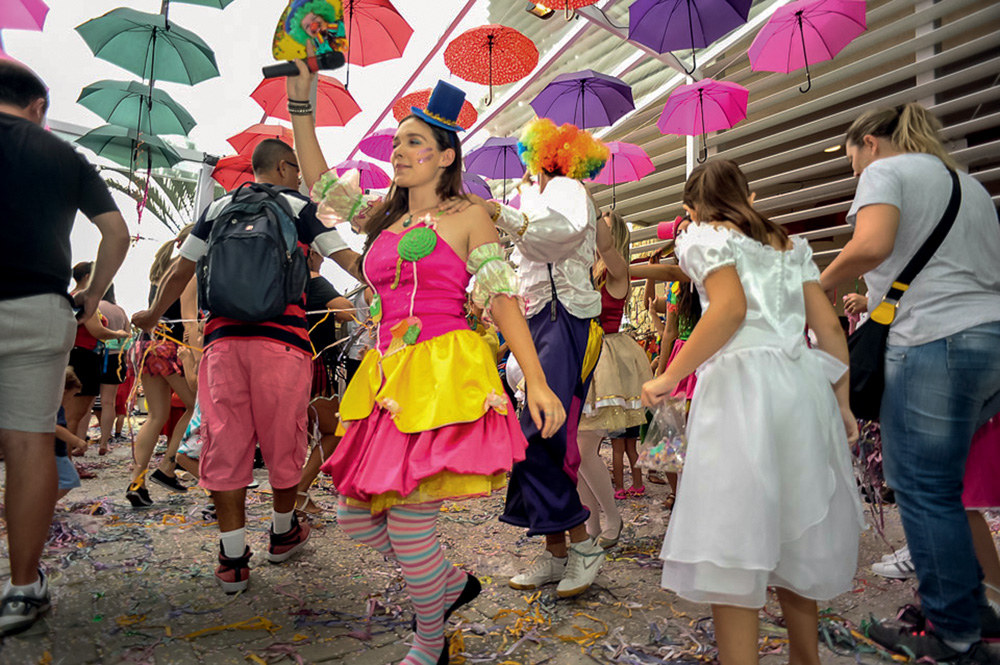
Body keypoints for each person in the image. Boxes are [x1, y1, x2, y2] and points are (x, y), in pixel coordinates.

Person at [289, 71, 565, 665]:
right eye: (397, 142)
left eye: (414, 142)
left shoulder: (468, 215)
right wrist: (300, 105)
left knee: (410, 524)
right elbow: (319, 183)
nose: (399, 150)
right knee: (355, 517)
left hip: (442, 373)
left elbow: (501, 298)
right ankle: (450, 584)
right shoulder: (381, 219)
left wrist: (537, 381)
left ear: (445, 156)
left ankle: (429, 643)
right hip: (387, 377)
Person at [642, 159, 864, 665]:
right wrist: (842, 403)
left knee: (732, 535)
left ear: (691, 207)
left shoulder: (701, 236)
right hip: (801, 386)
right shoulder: (787, 245)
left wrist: (670, 375)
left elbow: (730, 308)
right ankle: (805, 658)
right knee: (795, 528)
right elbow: (830, 329)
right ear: (747, 195)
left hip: (740, 389)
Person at [818, 103, 1000, 663]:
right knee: (944, 487)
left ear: (870, 143)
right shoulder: (968, 185)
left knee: (924, 489)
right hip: (989, 340)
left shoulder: (887, 171)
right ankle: (972, 612)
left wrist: (814, 285)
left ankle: (955, 636)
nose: (856, 173)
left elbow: (872, 244)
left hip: (933, 339)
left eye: (852, 162)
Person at [133, 137, 353, 594]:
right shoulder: (299, 207)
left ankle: (232, 559)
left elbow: (180, 270)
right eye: (296, 169)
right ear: (285, 167)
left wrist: (153, 315)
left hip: (223, 345)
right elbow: (345, 257)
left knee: (225, 443)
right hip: (283, 344)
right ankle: (282, 533)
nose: (299, 177)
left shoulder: (217, 210)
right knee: (284, 441)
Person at [446, 117, 611, 598]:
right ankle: (557, 553)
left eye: (530, 159)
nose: (526, 168)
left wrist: (498, 212)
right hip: (541, 320)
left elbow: (559, 235)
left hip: (564, 318)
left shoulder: (566, 189)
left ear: (546, 158)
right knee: (534, 440)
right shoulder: (536, 196)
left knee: (540, 433)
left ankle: (582, 545)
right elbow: (527, 259)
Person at [0, 60, 129, 635]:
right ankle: (23, 587)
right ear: (37, 108)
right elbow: (116, 233)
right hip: (39, 308)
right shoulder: (62, 155)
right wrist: (92, 295)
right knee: (29, 444)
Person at [577, 209, 651, 548]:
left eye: (601, 227)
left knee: (583, 448)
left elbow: (606, 248)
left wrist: (590, 210)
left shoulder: (617, 269)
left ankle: (613, 518)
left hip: (605, 358)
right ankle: (591, 525)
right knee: (573, 451)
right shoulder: (588, 269)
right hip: (582, 355)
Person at [125, 228, 198, 507]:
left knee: (155, 416)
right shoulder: (189, 271)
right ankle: (168, 465)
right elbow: (188, 320)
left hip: (145, 346)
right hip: (169, 347)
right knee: (195, 406)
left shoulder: (164, 270)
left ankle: (137, 481)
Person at [297, 248, 354, 516]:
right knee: (334, 430)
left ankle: (292, 494)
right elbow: (346, 311)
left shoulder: (277, 279)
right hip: (310, 363)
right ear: (311, 254)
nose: (323, 257)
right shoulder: (313, 280)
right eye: (321, 253)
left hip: (276, 360)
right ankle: (298, 491)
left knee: (290, 434)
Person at [94, 285, 129, 455]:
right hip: (116, 358)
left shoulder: (95, 307)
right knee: (109, 403)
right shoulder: (120, 311)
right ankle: (104, 442)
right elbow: (128, 338)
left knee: (87, 402)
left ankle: (79, 440)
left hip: (95, 354)